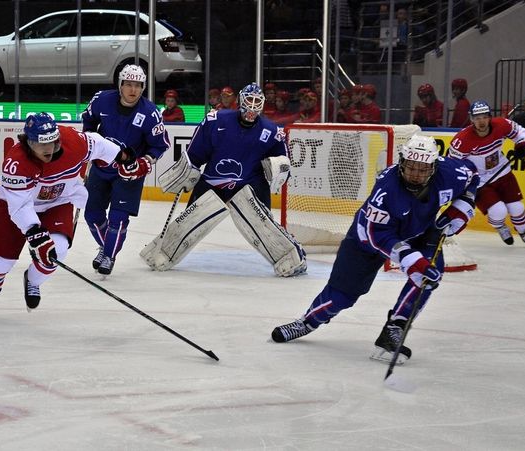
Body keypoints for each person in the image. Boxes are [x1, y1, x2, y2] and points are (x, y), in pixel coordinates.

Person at [271, 134, 480, 364]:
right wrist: (409, 259)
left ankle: (394, 327)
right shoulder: (386, 189)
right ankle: (307, 322)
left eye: (423, 169)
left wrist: (464, 205)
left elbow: (474, 175)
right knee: (343, 296)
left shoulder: (449, 173)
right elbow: (375, 234)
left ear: (433, 167)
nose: (416, 174)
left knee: (428, 274)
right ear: (402, 163)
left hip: (419, 233)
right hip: (367, 241)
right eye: (411, 167)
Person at [0, 113, 130, 320]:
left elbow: (100, 145)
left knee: (57, 250)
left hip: (59, 201)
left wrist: (125, 158)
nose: (49, 149)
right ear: (29, 143)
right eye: (41, 144)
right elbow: (20, 207)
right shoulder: (16, 162)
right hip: (14, 207)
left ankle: (33, 280)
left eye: (53, 142)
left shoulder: (74, 141)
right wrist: (35, 234)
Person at [141, 82, 307, 277]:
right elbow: (196, 153)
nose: (252, 106)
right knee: (189, 221)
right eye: (249, 100)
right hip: (213, 182)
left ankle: (292, 255)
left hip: (250, 183)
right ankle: (163, 251)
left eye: (257, 101)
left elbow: (284, 163)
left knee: (263, 225)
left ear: (262, 104)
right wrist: (188, 169)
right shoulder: (216, 120)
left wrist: (279, 168)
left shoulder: (272, 131)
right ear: (240, 101)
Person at [81, 64, 169, 275]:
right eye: (128, 84)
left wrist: (144, 163)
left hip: (129, 172)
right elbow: (89, 122)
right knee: (92, 214)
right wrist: (89, 143)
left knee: (118, 218)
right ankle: (106, 247)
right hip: (101, 167)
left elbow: (160, 144)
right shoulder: (102, 100)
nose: (133, 89)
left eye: (138, 85)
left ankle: (109, 256)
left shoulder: (150, 113)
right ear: (120, 85)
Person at [448, 100, 525, 248]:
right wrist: (462, 184)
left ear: (489, 116)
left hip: (502, 172)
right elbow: (452, 165)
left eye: (484, 117)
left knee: (517, 207)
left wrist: (522, 143)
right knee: (498, 211)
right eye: (477, 118)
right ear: (472, 119)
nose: (481, 121)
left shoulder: (501, 125)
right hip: (479, 181)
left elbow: (520, 131)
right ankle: (500, 226)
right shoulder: (462, 140)